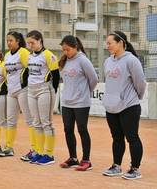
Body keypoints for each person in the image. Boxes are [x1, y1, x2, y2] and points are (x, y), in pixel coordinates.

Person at [102, 31, 146, 180]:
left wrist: (135, 98)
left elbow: (140, 82)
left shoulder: (131, 60)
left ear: (120, 43)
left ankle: (135, 168)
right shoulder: (107, 61)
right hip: (111, 107)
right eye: (106, 43)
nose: (107, 46)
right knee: (116, 138)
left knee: (132, 137)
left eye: (109, 43)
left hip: (129, 106)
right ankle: (116, 166)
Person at [59, 35, 98, 171]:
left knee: (82, 129)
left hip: (81, 102)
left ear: (76, 47)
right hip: (67, 103)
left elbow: (93, 79)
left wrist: (85, 92)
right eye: (63, 50)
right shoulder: (65, 61)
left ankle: (86, 160)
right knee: (68, 129)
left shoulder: (83, 60)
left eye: (68, 50)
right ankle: (73, 158)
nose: (65, 52)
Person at [25, 30, 60, 165]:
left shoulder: (48, 55)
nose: (30, 45)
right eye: (28, 43)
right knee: (36, 122)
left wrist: (53, 91)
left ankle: (49, 154)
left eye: (32, 42)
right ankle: (39, 152)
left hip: (44, 90)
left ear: (40, 40)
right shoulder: (29, 56)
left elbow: (56, 75)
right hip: (31, 91)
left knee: (46, 122)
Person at [0, 31, 32, 158]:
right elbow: (6, 72)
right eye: (7, 40)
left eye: (11, 40)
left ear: (18, 41)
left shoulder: (23, 52)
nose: (8, 43)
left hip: (23, 90)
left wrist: (25, 83)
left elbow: (30, 68)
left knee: (29, 120)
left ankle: (34, 149)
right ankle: (8, 147)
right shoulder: (7, 55)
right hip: (11, 91)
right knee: (11, 121)